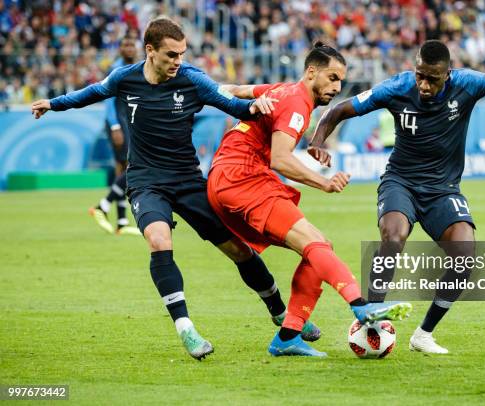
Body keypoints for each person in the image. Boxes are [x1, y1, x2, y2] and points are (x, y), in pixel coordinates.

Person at [31, 17, 320, 361]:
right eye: (171, 55)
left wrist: (256, 107)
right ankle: (186, 330)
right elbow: (91, 93)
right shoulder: (126, 78)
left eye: (182, 54)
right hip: (145, 181)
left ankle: (278, 312)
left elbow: (233, 104)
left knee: (239, 251)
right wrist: (53, 103)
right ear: (150, 51)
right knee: (158, 240)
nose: (178, 61)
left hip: (187, 180)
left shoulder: (192, 80)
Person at [310, 17, 485, 354]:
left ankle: (423, 334)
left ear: (448, 74)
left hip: (443, 189)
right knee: (394, 236)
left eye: (432, 79)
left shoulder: (468, 84)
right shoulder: (398, 87)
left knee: (465, 257)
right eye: (420, 76)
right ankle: (368, 314)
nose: (424, 85)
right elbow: (340, 110)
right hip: (401, 181)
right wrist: (319, 139)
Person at [207, 41, 411, 357]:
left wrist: (205, 92)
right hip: (242, 177)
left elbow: (231, 88)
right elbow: (281, 159)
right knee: (317, 246)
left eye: (340, 80)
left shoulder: (280, 91)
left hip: (226, 177)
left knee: (316, 248)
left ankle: (288, 336)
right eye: (331, 78)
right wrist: (324, 183)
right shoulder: (297, 101)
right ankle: (362, 306)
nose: (337, 86)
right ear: (311, 72)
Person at [88, 36, 141, 235]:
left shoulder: (137, 67)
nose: (129, 48)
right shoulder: (116, 69)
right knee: (132, 167)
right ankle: (103, 206)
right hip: (119, 124)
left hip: (129, 123)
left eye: (131, 45)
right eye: (125, 45)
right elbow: (108, 101)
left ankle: (120, 221)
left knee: (123, 169)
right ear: (120, 48)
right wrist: (115, 126)